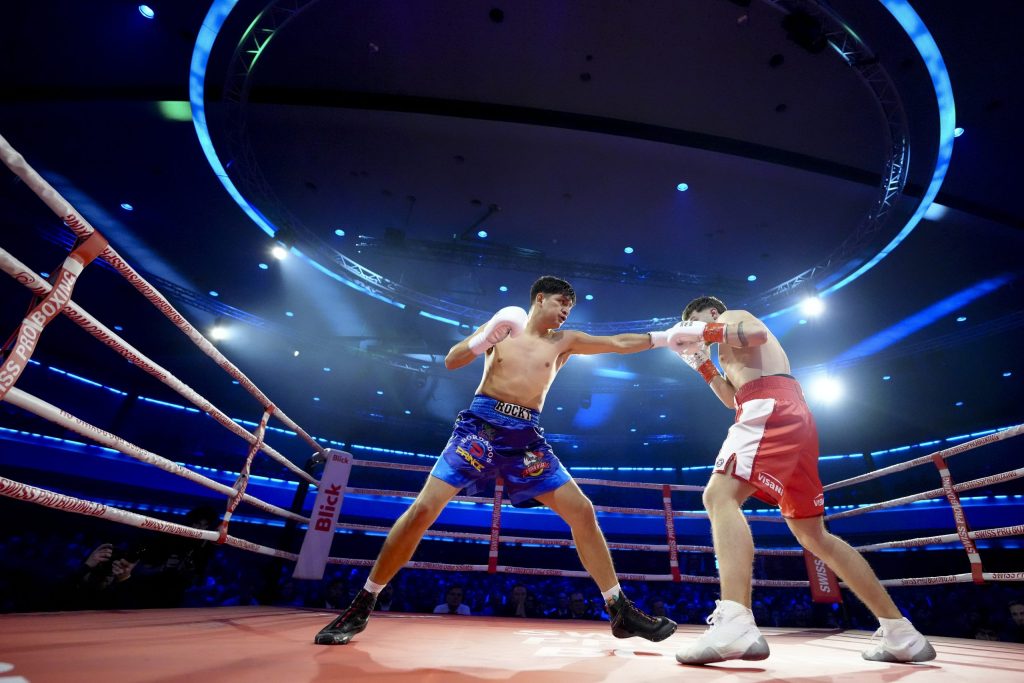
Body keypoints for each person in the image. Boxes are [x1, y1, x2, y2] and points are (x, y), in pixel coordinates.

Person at [315, 275, 676, 645]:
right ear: (540, 299)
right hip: (480, 430)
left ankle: (619, 610)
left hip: (526, 439)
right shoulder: (502, 326)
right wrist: (485, 338)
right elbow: (452, 360)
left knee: (582, 511)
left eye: (570, 307)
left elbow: (616, 343)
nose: (566, 312)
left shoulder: (564, 341)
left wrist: (666, 337)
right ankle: (363, 603)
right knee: (423, 510)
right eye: (561, 303)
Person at [653, 295, 935, 665]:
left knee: (719, 496)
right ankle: (901, 633)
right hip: (781, 409)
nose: (695, 331)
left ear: (711, 313)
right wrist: (703, 364)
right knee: (813, 534)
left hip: (770, 406)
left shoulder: (734, 317)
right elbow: (732, 399)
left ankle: (735, 622)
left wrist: (700, 331)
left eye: (695, 321)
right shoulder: (724, 348)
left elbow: (754, 333)